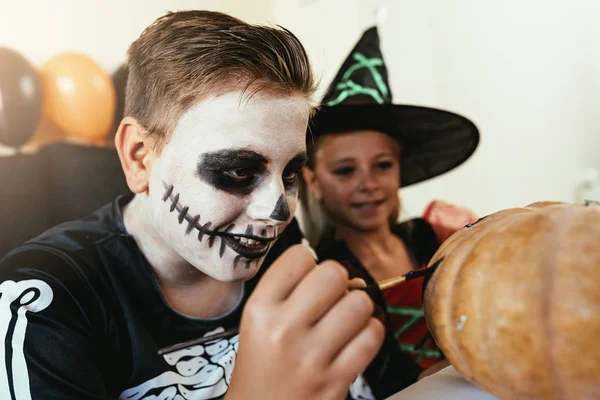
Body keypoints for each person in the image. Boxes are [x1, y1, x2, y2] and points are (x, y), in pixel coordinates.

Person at [0, 11, 386, 400]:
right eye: (237, 171)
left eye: (290, 174)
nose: (278, 212)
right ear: (139, 157)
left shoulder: (279, 251)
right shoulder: (47, 300)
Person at [300, 26, 480, 398]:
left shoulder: (433, 237)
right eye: (345, 171)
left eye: (382, 165)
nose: (368, 183)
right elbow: (386, 382)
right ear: (314, 181)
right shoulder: (330, 274)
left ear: (400, 169)